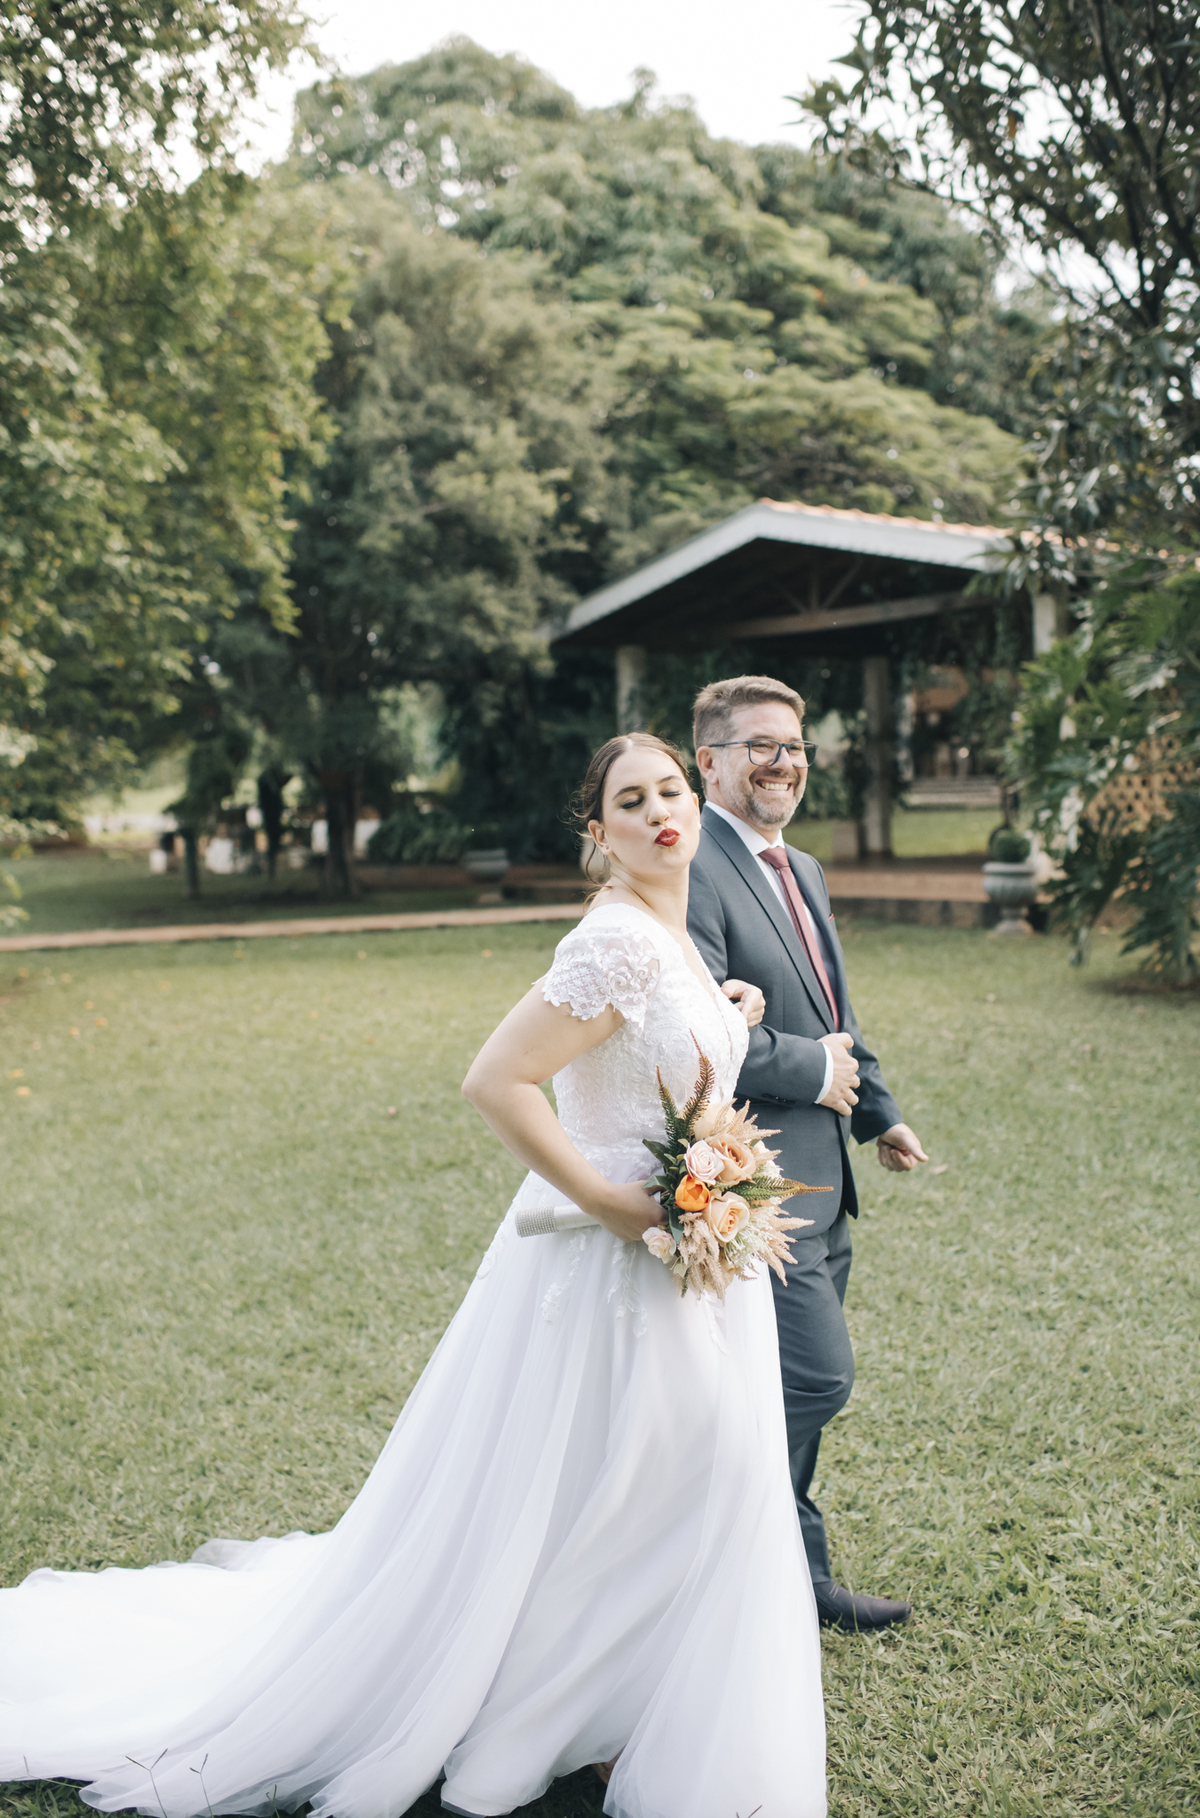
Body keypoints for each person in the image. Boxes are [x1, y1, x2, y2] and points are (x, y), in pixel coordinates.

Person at [0, 732, 827, 1818]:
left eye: (671, 790)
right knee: (638, 1481)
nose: (661, 812)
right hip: (610, 1263)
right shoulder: (616, 942)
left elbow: (655, 1052)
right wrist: (608, 1201)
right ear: (599, 833)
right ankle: (559, 1710)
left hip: (696, 1256)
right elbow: (497, 1080)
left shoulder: (669, 937)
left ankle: (620, 1705)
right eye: (632, 801)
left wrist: (727, 1016)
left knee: (672, 1478)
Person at [687, 675, 928, 1634]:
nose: (782, 762)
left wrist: (879, 1112)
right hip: (752, 1184)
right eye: (760, 746)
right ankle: (697, 1537)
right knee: (815, 1379)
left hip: (827, 1176)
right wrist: (813, 1069)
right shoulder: (693, 867)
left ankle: (794, 1576)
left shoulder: (806, 869)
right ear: (708, 761)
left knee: (787, 1383)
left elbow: (837, 1015)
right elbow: (695, 1032)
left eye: (792, 745)